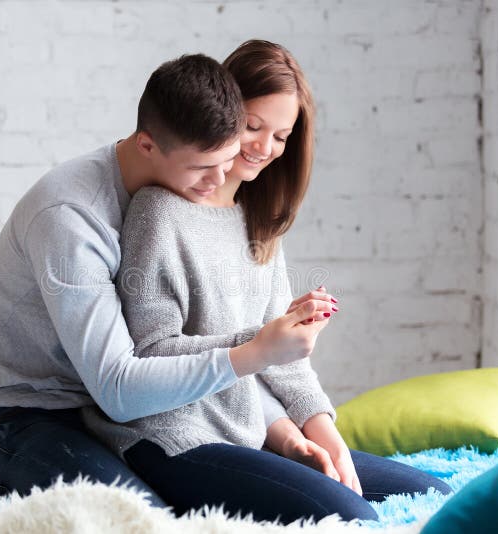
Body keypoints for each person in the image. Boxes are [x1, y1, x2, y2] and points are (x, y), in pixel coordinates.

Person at [82, 40, 453, 524]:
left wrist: (321, 437)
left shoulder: (259, 223)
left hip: (249, 429)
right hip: (169, 437)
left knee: (436, 493)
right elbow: (150, 355)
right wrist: (261, 343)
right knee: (346, 513)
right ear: (225, 116)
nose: (264, 148)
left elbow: (284, 366)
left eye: (281, 136)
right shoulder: (160, 213)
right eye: (253, 127)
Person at [0, 53, 334, 506]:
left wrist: (285, 427)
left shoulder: (181, 199)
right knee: (137, 516)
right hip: (16, 416)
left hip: (108, 414)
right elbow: (120, 387)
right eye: (201, 168)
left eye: (225, 159)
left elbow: (193, 352)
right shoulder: (71, 218)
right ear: (148, 146)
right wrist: (260, 348)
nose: (222, 177)